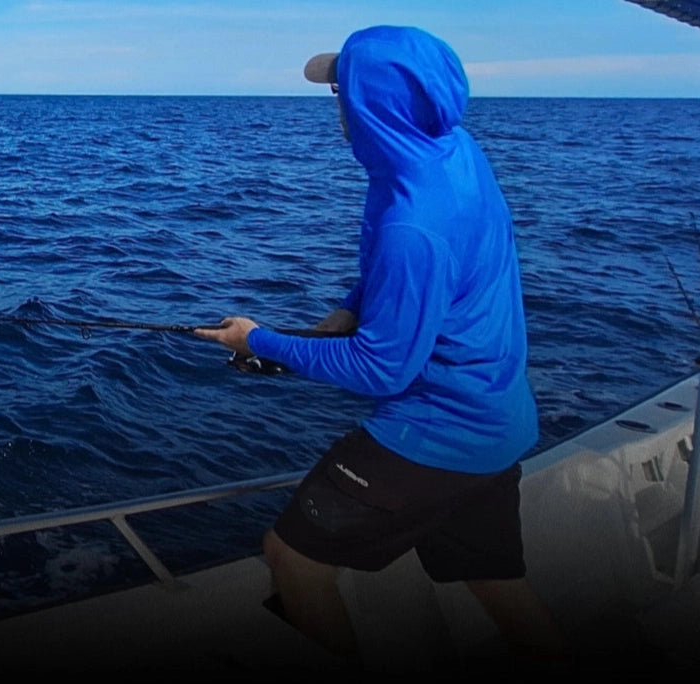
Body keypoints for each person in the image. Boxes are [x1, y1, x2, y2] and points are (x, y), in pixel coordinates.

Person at [192, 26, 572, 668]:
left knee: (294, 560)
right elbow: (400, 283)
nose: (336, 104)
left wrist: (261, 340)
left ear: (372, 105)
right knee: (497, 585)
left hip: (434, 437)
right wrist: (349, 310)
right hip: (496, 423)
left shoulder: (413, 224)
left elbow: (382, 368)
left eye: (342, 90)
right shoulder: (450, 151)